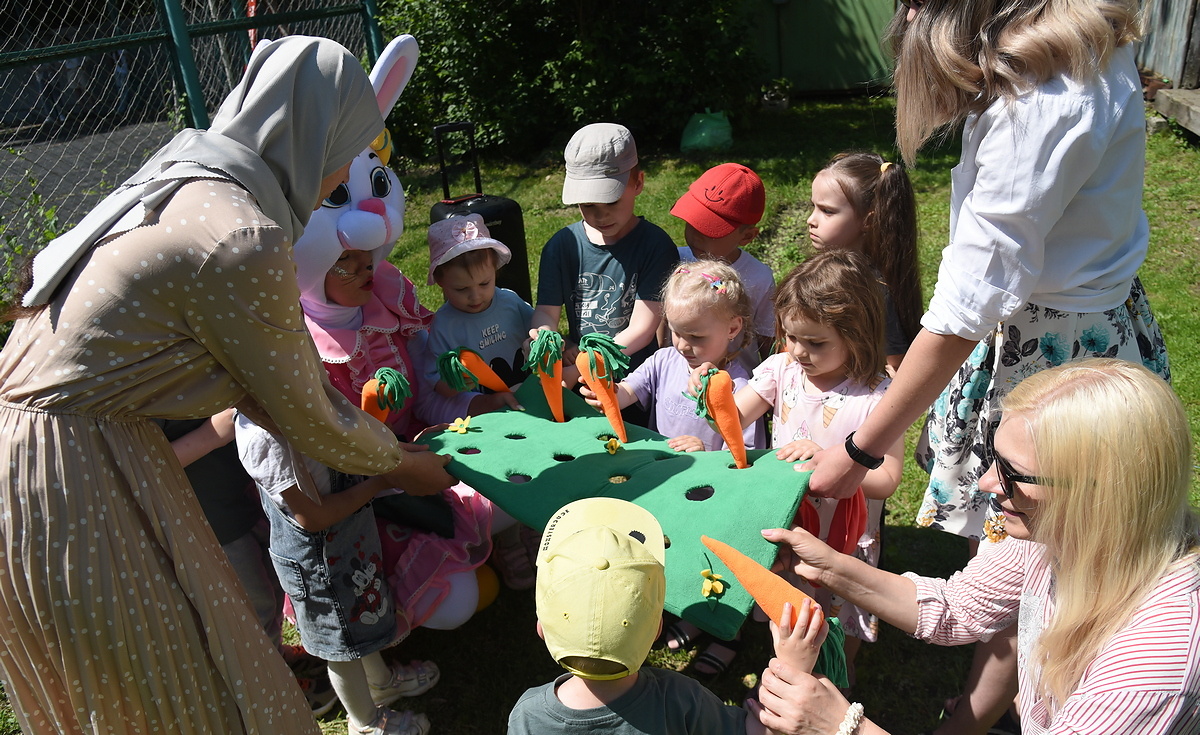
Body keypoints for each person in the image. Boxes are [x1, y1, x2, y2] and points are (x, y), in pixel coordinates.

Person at [0, 36, 455, 734]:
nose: (343, 169)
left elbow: (248, 381)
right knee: (164, 683)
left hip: (68, 448)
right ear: (317, 137)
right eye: (349, 150)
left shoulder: (187, 175)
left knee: (189, 664)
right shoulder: (240, 233)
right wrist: (401, 464)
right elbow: (303, 410)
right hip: (71, 472)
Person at [803, 2, 1171, 731]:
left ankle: (998, 708)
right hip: (1083, 329)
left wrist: (857, 448)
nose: (904, 15)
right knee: (1031, 558)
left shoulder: (1040, 101)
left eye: (918, 2)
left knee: (1035, 549)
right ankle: (998, 695)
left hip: (1049, 358)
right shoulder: (1080, 51)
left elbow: (963, 312)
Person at [755, 358, 1200, 735]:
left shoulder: (1150, 667)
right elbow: (956, 609)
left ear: (1100, 493)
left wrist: (842, 725)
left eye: (1015, 473)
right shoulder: (1064, 535)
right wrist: (828, 566)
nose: (988, 484)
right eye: (993, 458)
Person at [685, 250, 904, 680]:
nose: (799, 351)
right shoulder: (781, 369)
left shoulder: (879, 397)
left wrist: (835, 459)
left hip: (844, 536)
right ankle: (792, 674)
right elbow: (732, 417)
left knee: (840, 612)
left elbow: (889, 479)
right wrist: (709, 392)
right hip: (790, 526)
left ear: (856, 335)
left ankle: (840, 674)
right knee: (788, 605)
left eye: (815, 342)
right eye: (791, 336)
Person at [507, 497, 829, 734]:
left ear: (543, 629)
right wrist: (794, 666)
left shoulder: (526, 717)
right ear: (657, 629)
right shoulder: (678, 700)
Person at [530, 122, 678, 392]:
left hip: (635, 384)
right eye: (588, 204)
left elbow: (643, 330)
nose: (600, 215)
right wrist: (545, 335)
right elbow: (545, 312)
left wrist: (579, 369)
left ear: (639, 183)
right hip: (579, 378)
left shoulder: (655, 246)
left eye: (611, 201)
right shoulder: (561, 246)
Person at [580, 261, 764, 454]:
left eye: (696, 337)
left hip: (704, 482)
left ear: (732, 328)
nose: (682, 346)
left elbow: (743, 455)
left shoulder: (741, 389)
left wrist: (704, 453)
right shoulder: (663, 361)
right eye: (675, 332)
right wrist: (605, 393)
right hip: (660, 471)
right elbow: (626, 393)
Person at [806, 151, 921, 371]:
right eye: (814, 207)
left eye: (827, 211)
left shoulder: (875, 290)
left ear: (869, 220)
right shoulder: (819, 270)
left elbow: (895, 366)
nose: (811, 220)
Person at [672, 162, 776, 368]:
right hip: (676, 377)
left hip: (736, 385)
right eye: (692, 222)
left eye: (710, 231)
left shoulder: (759, 277)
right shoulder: (675, 261)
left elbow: (768, 340)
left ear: (747, 236)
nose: (696, 236)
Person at [427, 213, 533, 396]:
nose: (475, 296)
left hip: (531, 393)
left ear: (495, 270)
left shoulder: (511, 302)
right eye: (461, 289)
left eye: (484, 284)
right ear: (440, 282)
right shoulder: (444, 325)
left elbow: (541, 331)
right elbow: (434, 381)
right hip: (489, 411)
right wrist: (454, 383)